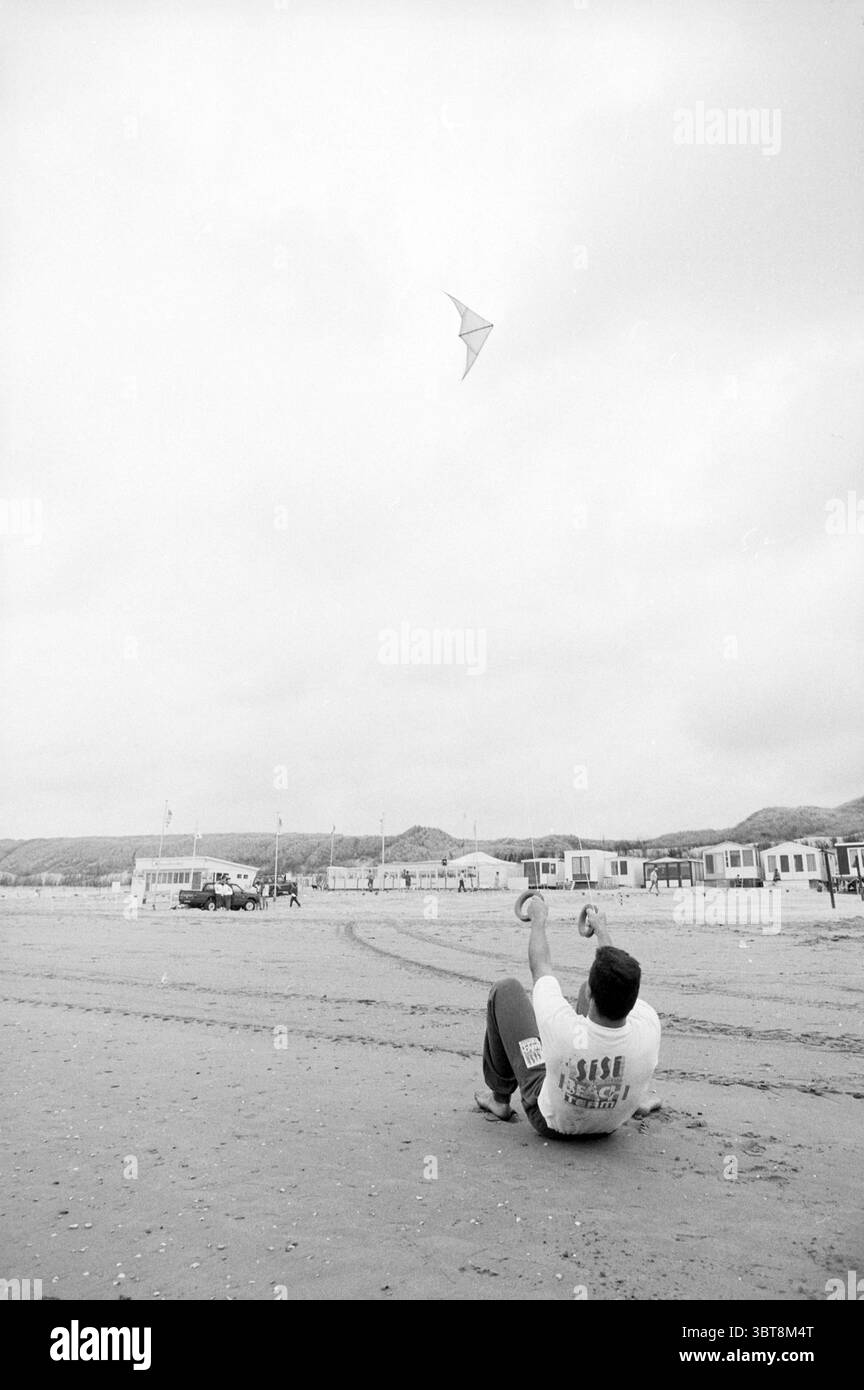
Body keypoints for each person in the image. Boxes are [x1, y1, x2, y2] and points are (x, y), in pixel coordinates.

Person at [474, 894, 661, 1138]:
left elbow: (540, 966)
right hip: (610, 1122)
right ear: (634, 999)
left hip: (552, 1123)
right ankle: (637, 1095)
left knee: (506, 990)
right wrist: (601, 930)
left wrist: (538, 919)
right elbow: (615, 979)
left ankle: (499, 1099)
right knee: (603, 988)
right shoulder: (649, 1023)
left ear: (594, 995)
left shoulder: (562, 1029)